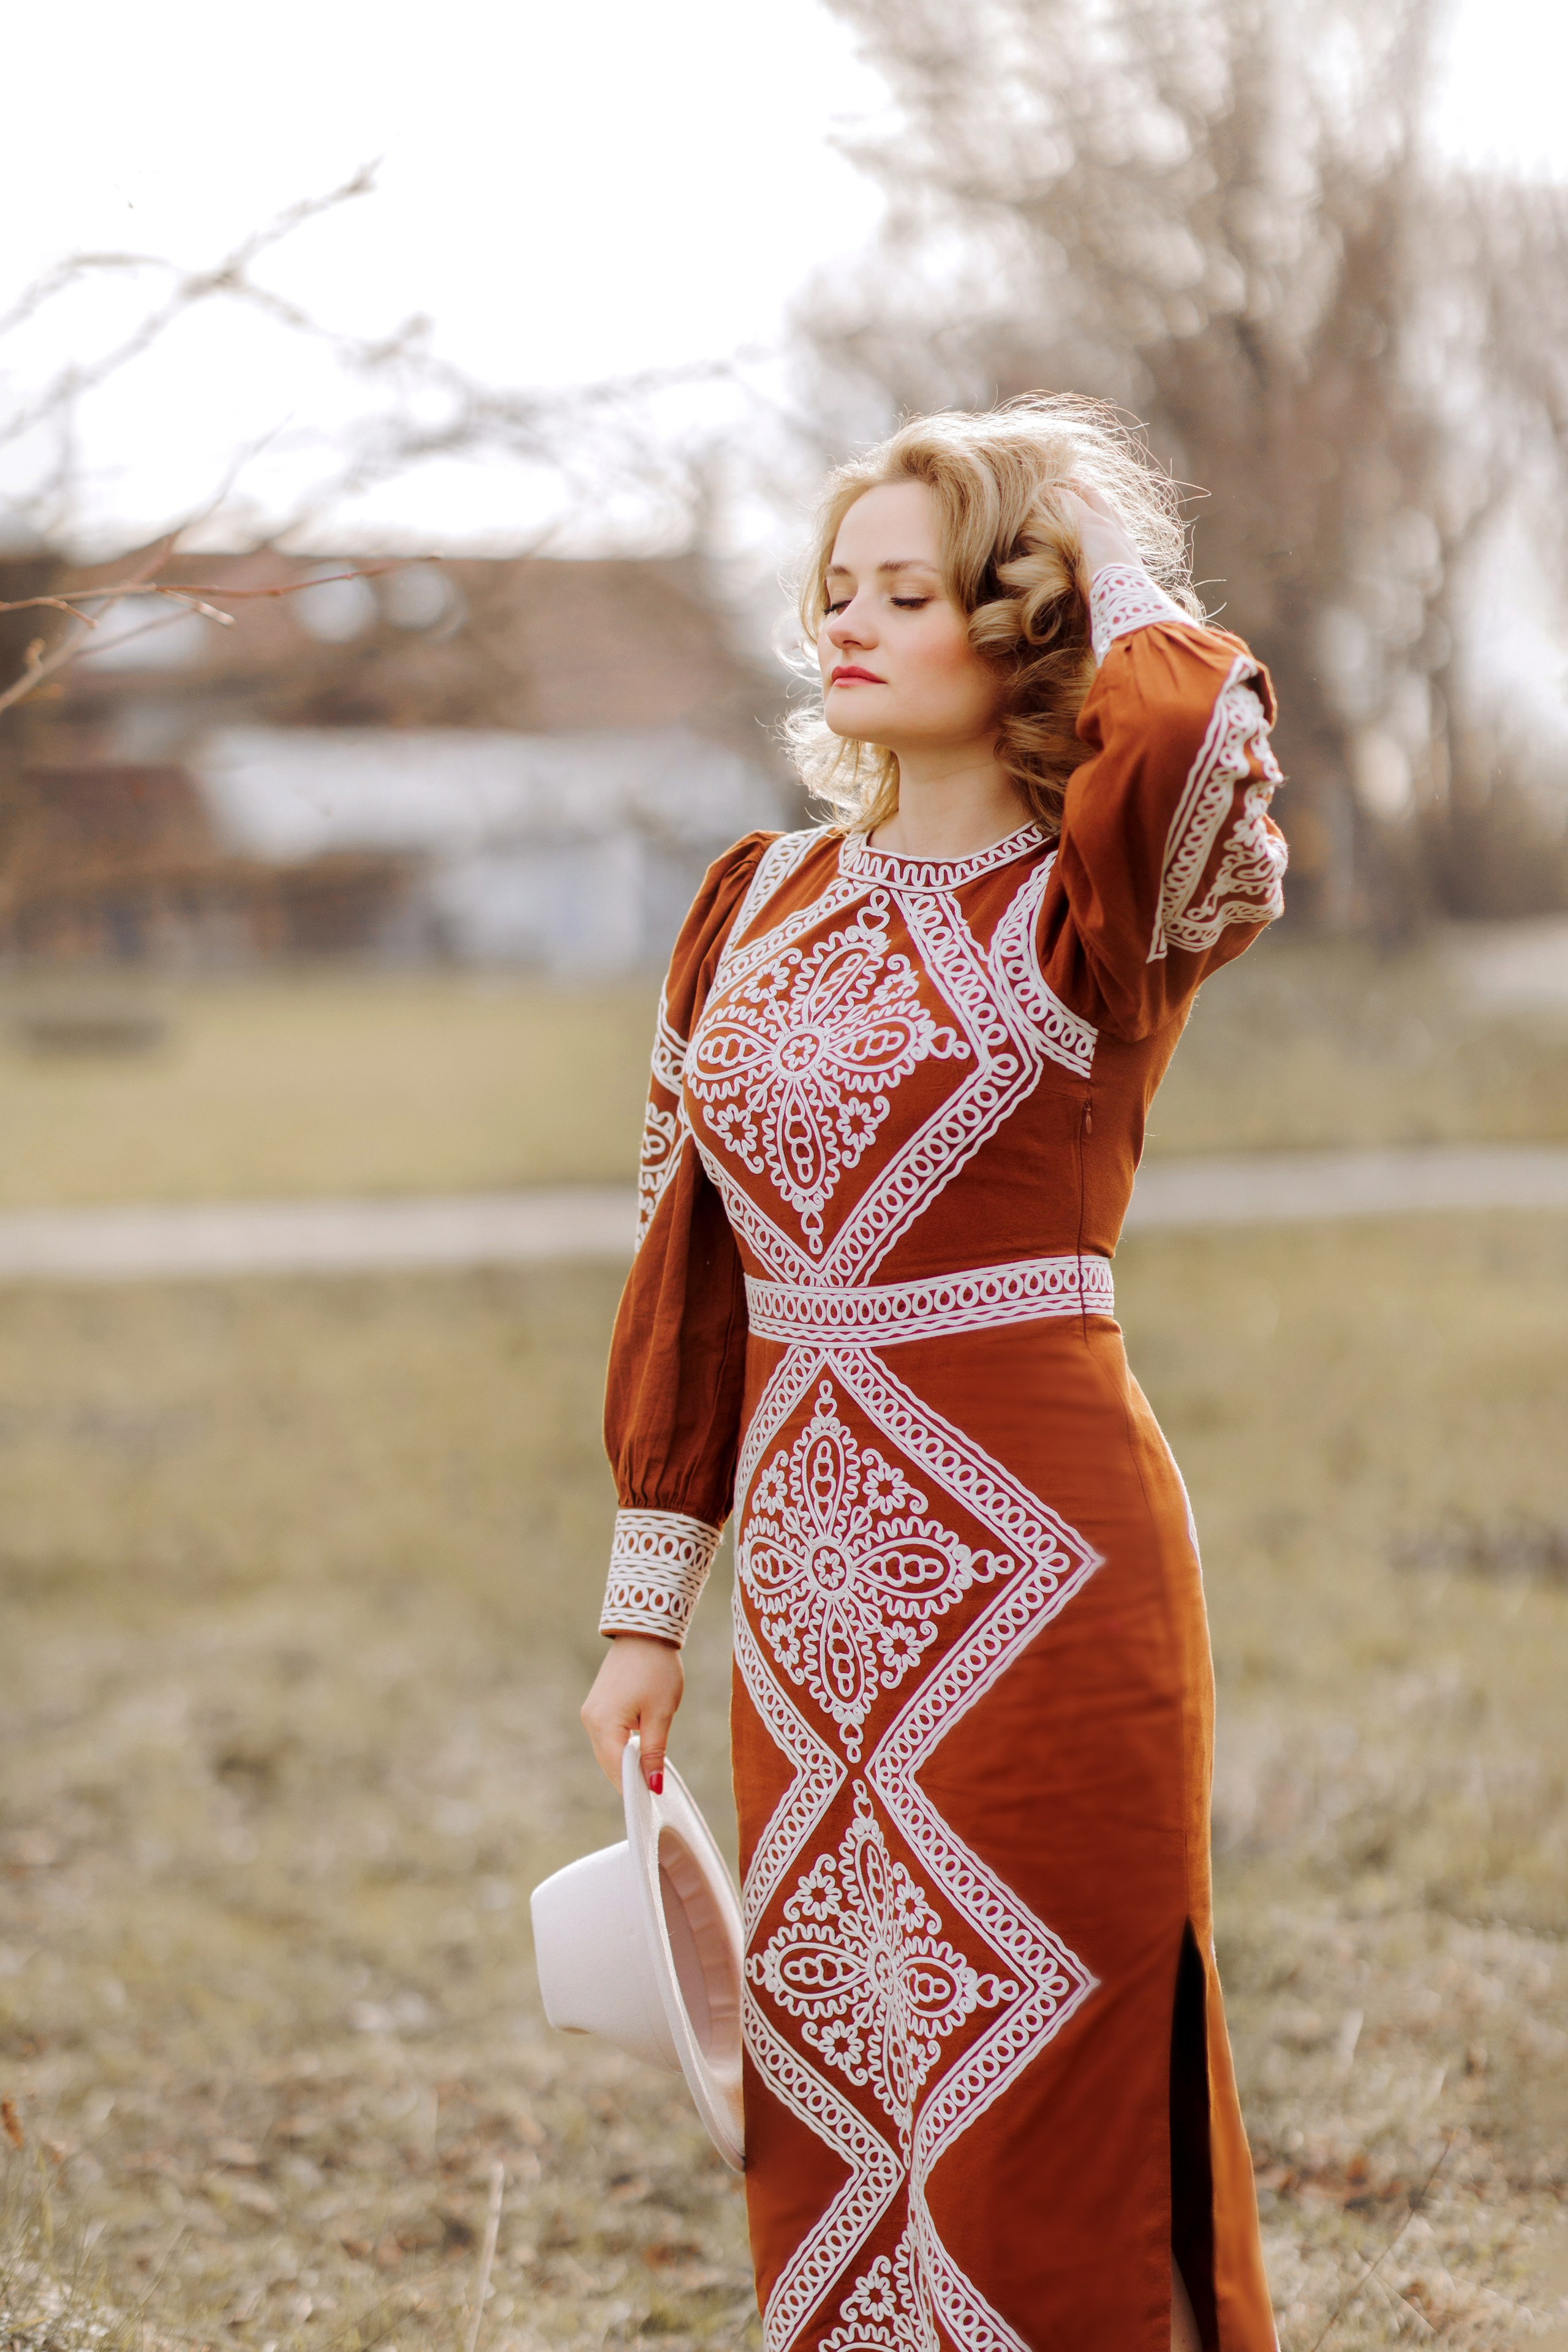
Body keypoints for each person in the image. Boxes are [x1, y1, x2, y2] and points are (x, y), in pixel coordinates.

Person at [581, 395, 1286, 2352]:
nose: (853, 623)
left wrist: (1084, 540)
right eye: (839, 588)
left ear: (1023, 619)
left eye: (914, 590)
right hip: (813, 1598)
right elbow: (686, 1277)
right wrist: (648, 1614)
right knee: (837, 2057)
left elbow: (1188, 723)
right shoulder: (751, 905)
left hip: (1044, 1576)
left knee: (1049, 2060)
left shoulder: (1101, 904)